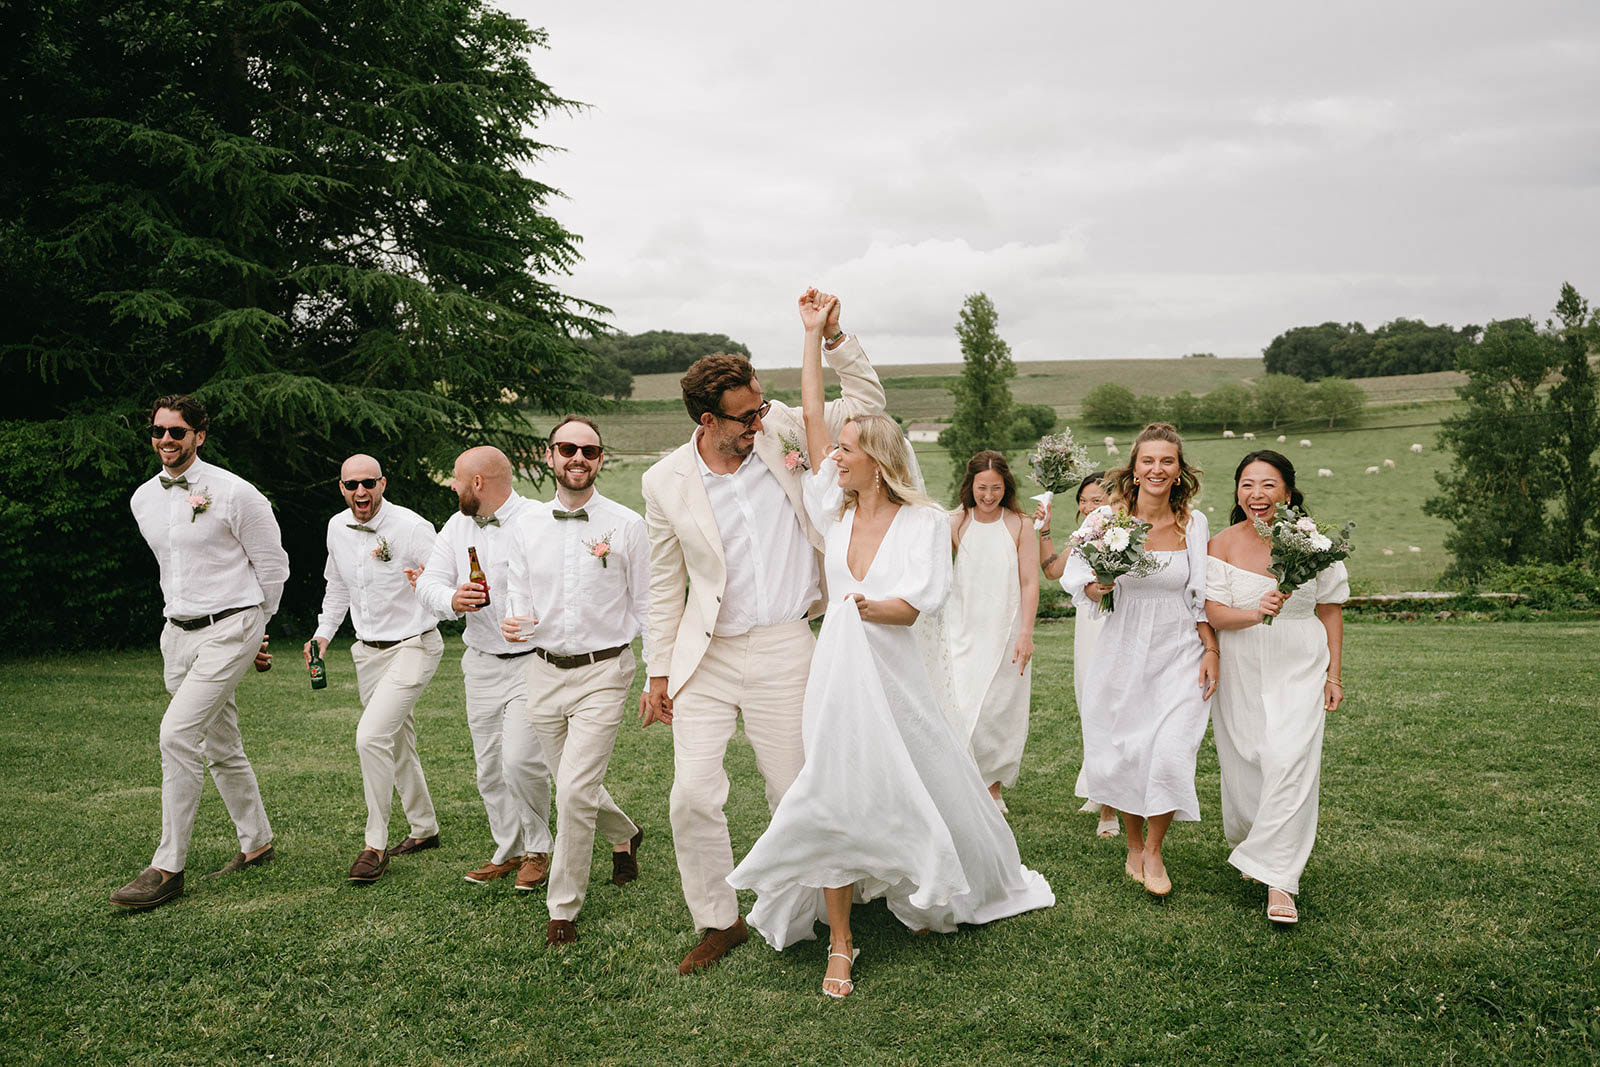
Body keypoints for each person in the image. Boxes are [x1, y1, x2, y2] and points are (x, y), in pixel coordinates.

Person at [728, 292, 1054, 999]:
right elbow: (814, 416)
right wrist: (813, 335)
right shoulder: (831, 507)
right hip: (839, 683)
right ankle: (840, 940)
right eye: (835, 451)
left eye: (845, 451)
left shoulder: (927, 523)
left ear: (875, 460)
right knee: (834, 791)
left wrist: (877, 605)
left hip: (898, 681)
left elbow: (922, 601)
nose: (831, 456)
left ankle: (929, 881)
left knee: (923, 784)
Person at [639, 288, 886, 975]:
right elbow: (664, 585)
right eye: (746, 415)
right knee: (691, 793)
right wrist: (659, 671)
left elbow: (866, 407)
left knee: (795, 786)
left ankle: (817, 901)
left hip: (786, 644)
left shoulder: (778, 430)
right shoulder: (665, 482)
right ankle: (718, 919)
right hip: (708, 657)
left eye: (761, 406)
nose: (760, 420)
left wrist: (834, 337)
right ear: (711, 420)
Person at [115, 394, 287, 909]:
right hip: (177, 634)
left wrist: (258, 631)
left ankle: (167, 867)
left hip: (231, 626)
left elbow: (273, 568)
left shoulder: (236, 493)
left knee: (176, 734)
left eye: (177, 431)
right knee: (221, 745)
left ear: (199, 436)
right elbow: (174, 570)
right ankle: (256, 843)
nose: (166, 440)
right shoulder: (143, 499)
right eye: (158, 431)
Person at [501, 417, 647, 947]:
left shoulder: (627, 525)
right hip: (542, 671)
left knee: (574, 791)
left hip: (605, 672)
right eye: (568, 448)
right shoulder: (526, 525)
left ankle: (562, 907)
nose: (578, 458)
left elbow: (648, 603)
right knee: (571, 785)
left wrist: (657, 674)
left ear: (600, 459)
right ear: (550, 456)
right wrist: (516, 618)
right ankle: (625, 834)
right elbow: (517, 590)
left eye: (589, 450)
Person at [1061, 423, 1218, 897]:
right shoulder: (1104, 521)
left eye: (1166, 461)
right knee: (1127, 749)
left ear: (1179, 470)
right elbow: (1074, 576)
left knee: (1171, 750)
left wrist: (1210, 648)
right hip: (1123, 648)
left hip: (1180, 651)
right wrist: (1096, 586)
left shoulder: (1195, 523)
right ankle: (1133, 843)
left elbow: (1201, 595)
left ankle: (1155, 847)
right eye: (1148, 460)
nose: (1156, 469)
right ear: (1134, 467)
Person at [1204, 450, 1347, 924]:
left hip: (1299, 661)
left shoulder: (1315, 544)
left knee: (1289, 758)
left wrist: (1334, 675)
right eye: (1247, 484)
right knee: (1247, 763)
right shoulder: (1221, 544)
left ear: (1287, 490)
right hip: (1242, 661)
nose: (1256, 495)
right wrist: (1255, 612)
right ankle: (1256, 845)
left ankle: (1281, 880)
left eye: (1267, 485)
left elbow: (1330, 610)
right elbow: (1212, 614)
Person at [414, 445, 555, 892]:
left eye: (456, 478)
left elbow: (562, 586)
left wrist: (536, 621)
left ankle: (539, 850)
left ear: (477, 483)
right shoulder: (456, 526)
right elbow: (430, 584)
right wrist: (451, 599)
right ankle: (508, 851)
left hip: (532, 662)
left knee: (519, 759)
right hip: (479, 661)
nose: (452, 486)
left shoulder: (537, 520)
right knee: (489, 767)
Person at [306, 455, 442, 884]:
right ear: (341, 487)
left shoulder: (412, 527)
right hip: (368, 653)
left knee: (370, 736)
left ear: (383, 483)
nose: (360, 492)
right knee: (397, 743)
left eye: (368, 483)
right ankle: (424, 829)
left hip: (415, 645)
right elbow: (337, 586)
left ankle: (375, 845)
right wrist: (323, 633)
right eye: (351, 485)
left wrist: (428, 582)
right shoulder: (335, 527)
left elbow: (446, 579)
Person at [946, 451, 1040, 814]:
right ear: (970, 486)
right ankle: (964, 779)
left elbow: (1030, 582)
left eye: (996, 488)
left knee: (1001, 708)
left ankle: (993, 785)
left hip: (1007, 628)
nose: (988, 496)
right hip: (964, 627)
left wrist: (1026, 632)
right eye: (982, 488)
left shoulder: (1019, 524)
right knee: (965, 703)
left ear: (1007, 486)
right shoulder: (956, 522)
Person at [1038, 472, 1120, 837]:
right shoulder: (1085, 535)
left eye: (1097, 499)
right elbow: (1057, 571)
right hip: (1092, 622)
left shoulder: (1129, 530)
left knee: (1117, 705)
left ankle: (1111, 805)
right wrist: (1044, 528)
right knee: (1090, 699)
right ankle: (1098, 785)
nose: (1088, 507)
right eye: (1084, 500)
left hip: (1125, 621)